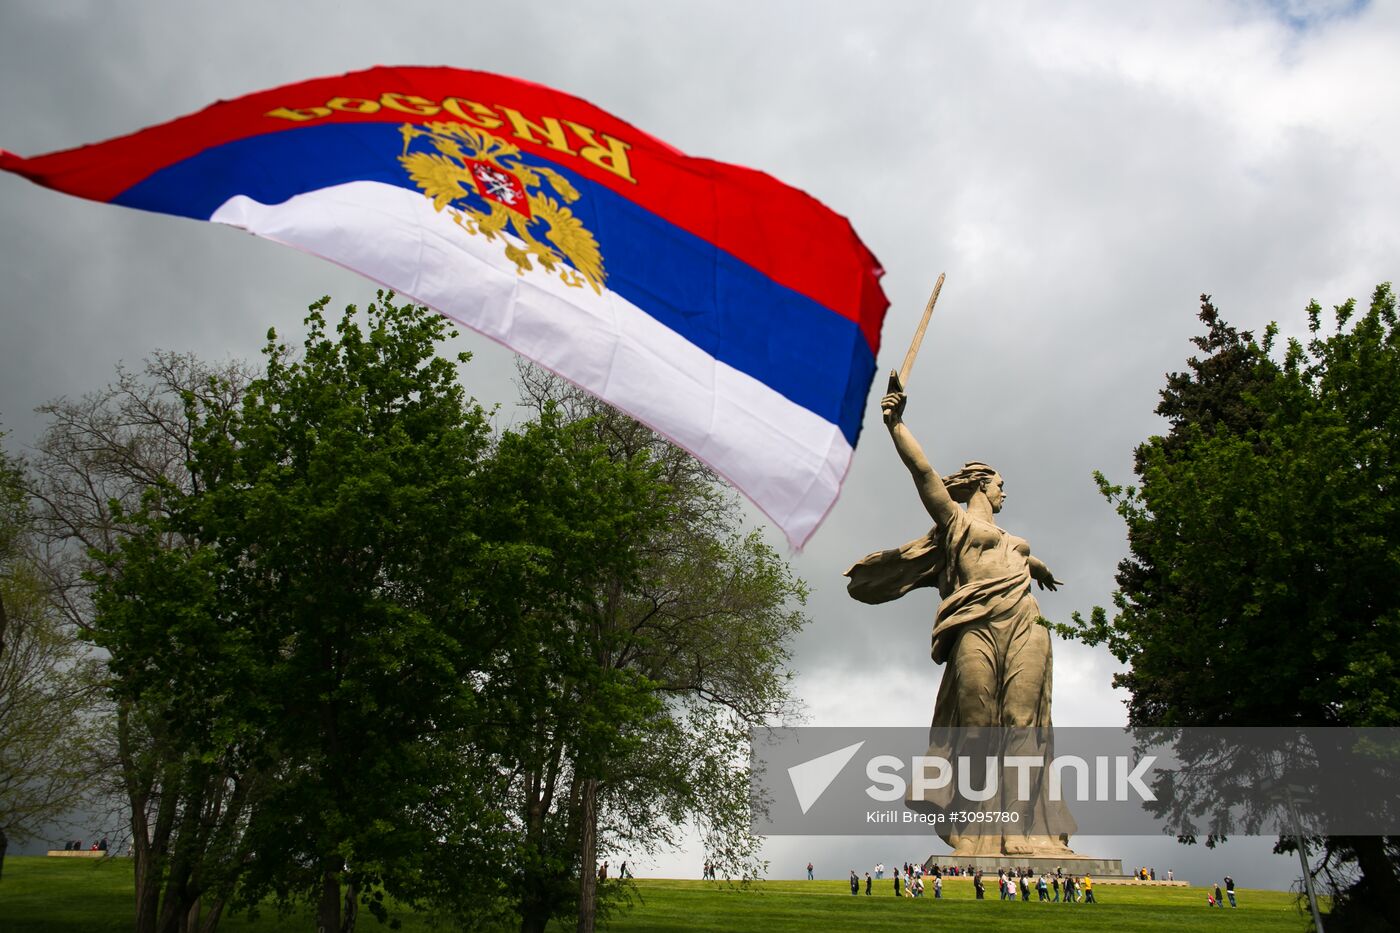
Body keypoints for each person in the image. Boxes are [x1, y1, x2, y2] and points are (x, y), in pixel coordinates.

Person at [847, 381, 1074, 859]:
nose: (1004, 490)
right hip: (976, 625)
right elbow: (923, 471)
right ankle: (971, 824)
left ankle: (1016, 830)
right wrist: (896, 424)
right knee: (975, 727)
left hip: (1025, 623)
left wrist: (1037, 566)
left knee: (1022, 723)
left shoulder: (1014, 540)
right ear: (981, 484)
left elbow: (1017, 560)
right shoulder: (957, 523)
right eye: (1000, 483)